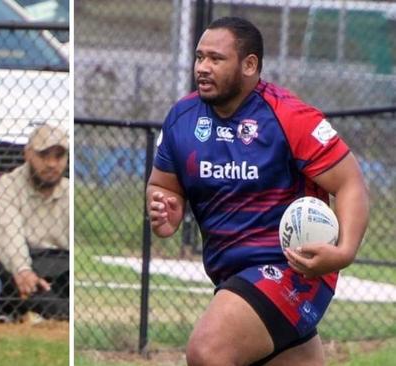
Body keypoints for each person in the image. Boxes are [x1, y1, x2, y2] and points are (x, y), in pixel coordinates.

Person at [147, 17, 369, 366]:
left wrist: (343, 253)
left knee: (209, 351)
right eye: (199, 57)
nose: (202, 68)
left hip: (295, 268)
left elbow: (350, 183)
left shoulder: (288, 116)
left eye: (216, 59)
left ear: (250, 65)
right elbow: (162, 187)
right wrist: (164, 210)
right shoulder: (183, 119)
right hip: (232, 276)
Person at [0, 124, 69, 320]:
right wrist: (23, 270)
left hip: (60, 268)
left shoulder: (70, 191)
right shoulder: (7, 186)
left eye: (58, 156)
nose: (52, 164)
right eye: (44, 155)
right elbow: (9, 235)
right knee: (2, 271)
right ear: (28, 154)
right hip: (21, 266)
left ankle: (48, 313)